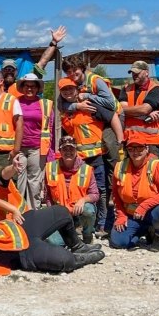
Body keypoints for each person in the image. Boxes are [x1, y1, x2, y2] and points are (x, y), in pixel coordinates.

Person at [59, 54, 125, 234]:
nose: (73, 75)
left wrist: (86, 96)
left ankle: (108, 215)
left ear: (83, 69)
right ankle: (89, 218)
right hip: (90, 138)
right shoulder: (72, 87)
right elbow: (62, 105)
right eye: (69, 73)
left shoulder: (95, 81)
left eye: (76, 72)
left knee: (112, 163)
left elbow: (110, 105)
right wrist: (77, 106)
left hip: (113, 118)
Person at [57, 77, 114, 236]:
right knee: (78, 191)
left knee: (101, 190)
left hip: (96, 157)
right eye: (64, 90)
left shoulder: (90, 106)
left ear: (77, 90)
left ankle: (101, 224)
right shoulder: (67, 112)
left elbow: (112, 115)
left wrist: (119, 138)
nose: (68, 92)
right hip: (79, 159)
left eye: (71, 89)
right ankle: (80, 223)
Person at [110, 133, 159, 252]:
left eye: (139, 148)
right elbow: (116, 195)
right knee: (118, 242)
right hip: (132, 215)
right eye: (131, 149)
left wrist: (144, 206)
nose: (135, 152)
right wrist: (121, 215)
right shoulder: (120, 167)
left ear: (147, 149)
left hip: (152, 212)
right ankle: (146, 231)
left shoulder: (156, 165)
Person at [45, 136, 99, 244]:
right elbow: (48, 197)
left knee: (89, 210)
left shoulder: (86, 169)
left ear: (76, 151)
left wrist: (82, 200)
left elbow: (95, 194)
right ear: (60, 151)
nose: (68, 152)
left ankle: (87, 236)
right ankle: (69, 234)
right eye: (65, 149)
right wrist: (52, 213)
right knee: (54, 243)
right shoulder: (50, 168)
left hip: (79, 210)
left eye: (71, 149)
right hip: (61, 213)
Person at [16, 73, 54, 210]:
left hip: (37, 148)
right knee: (19, 181)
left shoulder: (45, 104)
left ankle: (33, 212)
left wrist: (50, 151)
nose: (30, 89)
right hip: (18, 148)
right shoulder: (15, 102)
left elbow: (50, 128)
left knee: (35, 183)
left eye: (33, 86)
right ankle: (19, 211)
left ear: (38, 88)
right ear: (22, 87)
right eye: (27, 86)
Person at [119, 61, 159, 159]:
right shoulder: (126, 88)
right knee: (132, 173)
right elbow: (120, 109)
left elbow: (145, 109)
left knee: (152, 171)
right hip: (130, 140)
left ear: (146, 72)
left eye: (137, 72)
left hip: (150, 141)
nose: (134, 75)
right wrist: (145, 115)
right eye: (132, 73)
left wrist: (130, 111)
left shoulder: (155, 89)